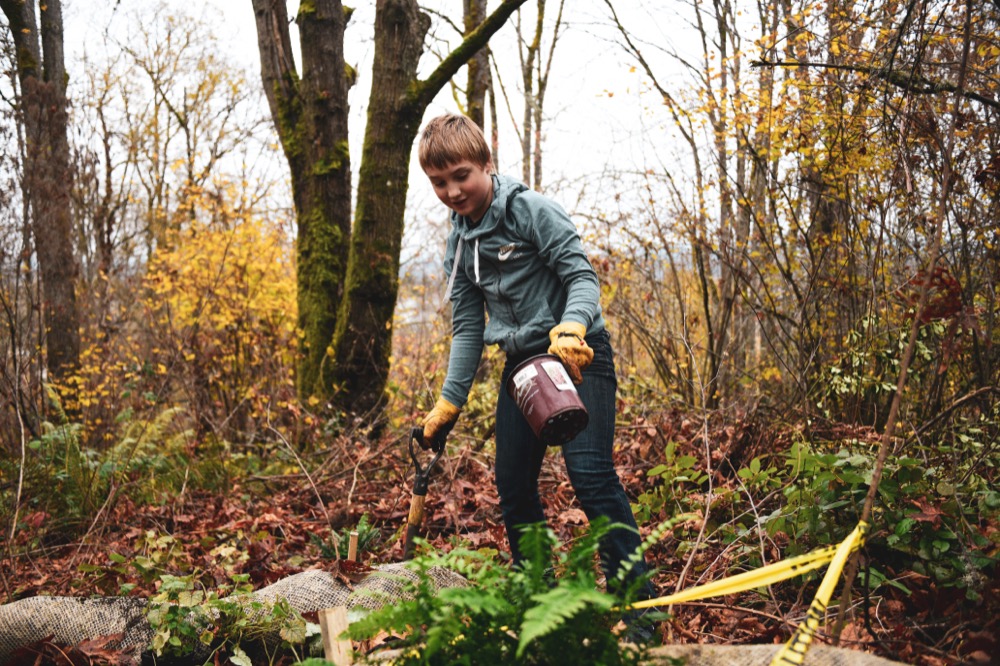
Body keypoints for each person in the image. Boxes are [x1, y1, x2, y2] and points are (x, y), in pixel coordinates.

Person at [417, 113, 654, 604]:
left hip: (577, 354)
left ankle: (638, 603)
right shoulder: (459, 242)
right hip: (523, 366)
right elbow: (467, 326)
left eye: (461, 175)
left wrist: (571, 326)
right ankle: (537, 599)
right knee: (513, 483)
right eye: (439, 183)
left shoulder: (531, 211)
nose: (453, 192)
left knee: (589, 472)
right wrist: (449, 403)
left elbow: (582, 278)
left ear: (485, 163)